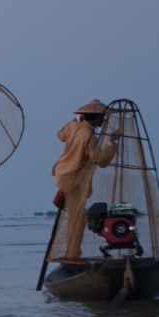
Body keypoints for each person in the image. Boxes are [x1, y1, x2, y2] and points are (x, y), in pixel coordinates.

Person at [52, 99, 116, 261]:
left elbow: (61, 135)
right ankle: (73, 255)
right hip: (74, 178)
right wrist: (111, 142)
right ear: (95, 117)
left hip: (65, 174)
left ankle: (73, 253)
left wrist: (75, 121)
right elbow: (100, 160)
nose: (103, 121)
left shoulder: (74, 127)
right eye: (102, 117)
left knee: (76, 217)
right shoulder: (88, 135)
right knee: (77, 219)